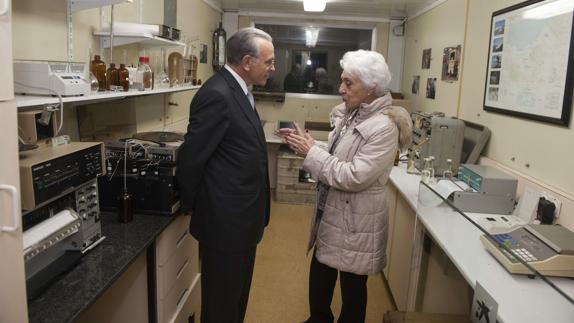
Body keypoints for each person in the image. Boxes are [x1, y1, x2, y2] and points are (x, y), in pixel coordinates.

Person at [278, 50, 412, 323]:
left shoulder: (385, 127)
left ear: (372, 86)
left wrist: (312, 153)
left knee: (352, 290)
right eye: (342, 81)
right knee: (320, 276)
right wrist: (307, 144)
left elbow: (353, 176)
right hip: (333, 211)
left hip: (358, 220)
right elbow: (338, 155)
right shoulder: (354, 115)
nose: (340, 89)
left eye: (348, 83)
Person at [175, 27, 275, 323]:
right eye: (268, 61)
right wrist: (190, 204)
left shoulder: (241, 91)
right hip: (224, 222)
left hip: (243, 219)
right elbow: (193, 158)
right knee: (221, 305)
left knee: (236, 299)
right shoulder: (217, 94)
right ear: (247, 61)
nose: (273, 67)